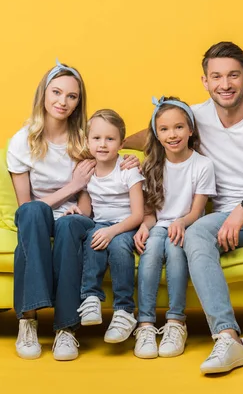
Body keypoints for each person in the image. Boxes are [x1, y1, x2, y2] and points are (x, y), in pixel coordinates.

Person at [124, 42, 243, 374]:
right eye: (216, 76)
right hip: (221, 219)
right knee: (195, 232)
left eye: (233, 75)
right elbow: (158, 132)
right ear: (204, 81)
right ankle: (228, 338)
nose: (224, 84)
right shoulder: (194, 117)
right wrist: (108, 149)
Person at [7, 60, 96, 361]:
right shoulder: (22, 141)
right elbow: (25, 206)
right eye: (56, 92)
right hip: (37, 219)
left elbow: (86, 201)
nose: (63, 102)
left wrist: (79, 209)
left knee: (70, 226)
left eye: (72, 96)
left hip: (72, 221)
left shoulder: (84, 140)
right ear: (43, 95)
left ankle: (66, 329)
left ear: (78, 102)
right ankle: (28, 322)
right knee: (32, 213)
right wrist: (71, 187)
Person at [132, 96, 216, 359]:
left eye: (179, 127)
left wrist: (180, 223)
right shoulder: (151, 165)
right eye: (164, 129)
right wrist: (144, 227)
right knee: (153, 247)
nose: (172, 135)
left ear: (191, 129)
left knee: (176, 248)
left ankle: (176, 322)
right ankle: (145, 324)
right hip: (160, 225)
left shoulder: (203, 165)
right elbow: (150, 214)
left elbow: (195, 211)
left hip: (189, 225)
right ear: (156, 135)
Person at [76, 109, 145, 344]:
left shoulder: (128, 170)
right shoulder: (87, 171)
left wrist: (112, 231)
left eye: (110, 139)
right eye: (96, 138)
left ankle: (124, 311)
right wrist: (77, 212)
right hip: (102, 224)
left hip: (127, 225)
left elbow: (138, 214)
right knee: (92, 238)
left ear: (121, 143)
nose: (102, 144)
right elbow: (87, 209)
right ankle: (91, 298)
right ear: (87, 141)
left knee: (116, 246)